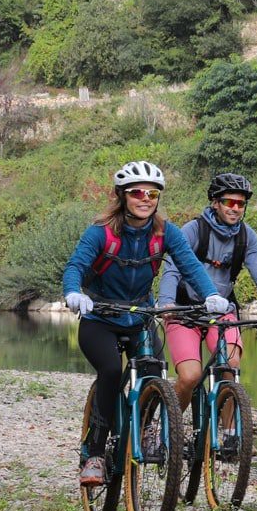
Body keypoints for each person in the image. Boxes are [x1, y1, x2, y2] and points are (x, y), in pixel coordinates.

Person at [62, 161, 218, 487]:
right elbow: (76, 265)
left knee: (154, 372)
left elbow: (191, 267)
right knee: (109, 371)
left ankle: (146, 433)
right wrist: (74, 292)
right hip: (99, 318)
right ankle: (93, 454)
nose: (145, 198)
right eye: (137, 192)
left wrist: (211, 295)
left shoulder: (166, 233)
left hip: (141, 318)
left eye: (152, 193)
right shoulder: (101, 232)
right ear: (123, 196)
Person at [157, 173, 257, 420]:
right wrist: (166, 302)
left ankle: (229, 434)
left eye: (241, 204)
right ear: (215, 202)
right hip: (183, 311)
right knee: (190, 376)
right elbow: (173, 270)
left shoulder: (247, 237)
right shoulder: (194, 230)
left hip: (221, 312)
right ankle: (165, 429)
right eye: (230, 202)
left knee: (231, 367)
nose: (236, 209)